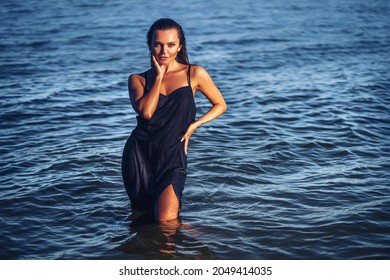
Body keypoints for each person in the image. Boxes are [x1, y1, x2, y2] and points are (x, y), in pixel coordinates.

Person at [122, 18, 226, 223]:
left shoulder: (194, 73)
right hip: (139, 155)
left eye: (170, 45)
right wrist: (159, 77)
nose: (163, 51)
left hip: (173, 155)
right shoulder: (138, 79)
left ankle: (208, 245)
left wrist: (194, 125)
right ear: (150, 45)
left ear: (179, 46)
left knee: (166, 221)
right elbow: (146, 113)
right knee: (143, 221)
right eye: (158, 44)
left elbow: (220, 104)